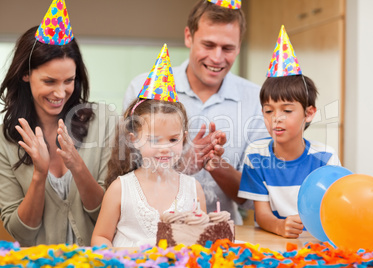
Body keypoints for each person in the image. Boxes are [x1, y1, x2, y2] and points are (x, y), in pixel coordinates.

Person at [123, 0, 266, 225]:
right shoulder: (143, 89)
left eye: (227, 48)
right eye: (208, 45)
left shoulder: (257, 100)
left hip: (220, 238)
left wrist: (217, 166)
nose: (217, 58)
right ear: (189, 37)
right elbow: (125, 174)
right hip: (151, 232)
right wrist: (182, 164)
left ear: (239, 47)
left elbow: (255, 201)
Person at [0, 2, 116, 247]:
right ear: (26, 74)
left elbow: (111, 216)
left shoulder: (105, 121)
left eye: (69, 80)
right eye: (49, 81)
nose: (60, 92)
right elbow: (21, 233)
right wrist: (39, 175)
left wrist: (78, 166)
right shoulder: (5, 140)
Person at [92, 44, 206, 246]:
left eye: (173, 139)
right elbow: (101, 237)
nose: (165, 148)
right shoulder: (120, 189)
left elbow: (202, 241)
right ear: (134, 138)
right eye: (154, 139)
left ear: (184, 138)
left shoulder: (194, 190)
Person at [238, 25, 341, 238]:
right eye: (269, 110)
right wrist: (279, 226)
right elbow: (262, 214)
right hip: (273, 242)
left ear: (309, 113)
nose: (276, 117)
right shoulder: (256, 156)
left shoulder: (326, 158)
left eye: (287, 110)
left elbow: (334, 210)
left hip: (317, 245)